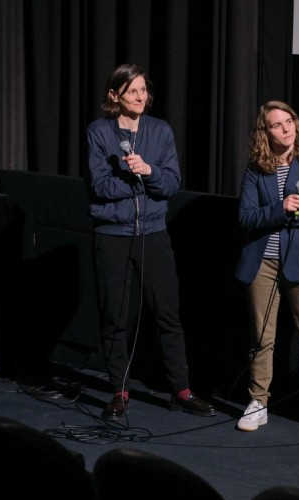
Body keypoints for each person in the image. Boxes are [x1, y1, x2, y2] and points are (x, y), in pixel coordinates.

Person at [86, 64, 216, 420]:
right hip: (112, 236)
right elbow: (99, 186)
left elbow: (171, 183)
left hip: (154, 234)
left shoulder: (160, 131)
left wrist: (150, 172)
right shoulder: (99, 132)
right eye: (133, 91)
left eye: (144, 90)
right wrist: (134, 177)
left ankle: (182, 390)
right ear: (114, 96)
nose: (141, 97)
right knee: (115, 316)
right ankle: (118, 390)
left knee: (168, 314)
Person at [234, 101, 299, 435]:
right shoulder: (256, 169)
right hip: (262, 261)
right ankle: (258, 402)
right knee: (262, 338)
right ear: (265, 133)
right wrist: (281, 208)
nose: (286, 128)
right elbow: (246, 217)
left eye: (289, 120)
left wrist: (278, 211)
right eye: (277, 125)